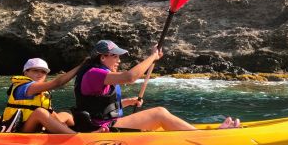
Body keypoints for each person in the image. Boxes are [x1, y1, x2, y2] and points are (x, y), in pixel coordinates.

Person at [73, 40, 240, 132]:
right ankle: (204, 138)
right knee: (159, 113)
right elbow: (130, 77)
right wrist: (152, 57)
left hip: (106, 123)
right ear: (103, 57)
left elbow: (98, 106)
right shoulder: (95, 73)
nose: (119, 60)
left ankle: (193, 133)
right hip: (102, 129)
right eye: (115, 56)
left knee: (160, 120)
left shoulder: (98, 74)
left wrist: (126, 102)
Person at [0, 58, 80, 134]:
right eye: (35, 70)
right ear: (25, 72)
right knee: (40, 112)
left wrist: (60, 123)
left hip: (37, 124)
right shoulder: (26, 87)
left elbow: (50, 111)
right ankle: (75, 136)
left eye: (43, 72)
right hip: (19, 128)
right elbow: (58, 83)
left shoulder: (41, 91)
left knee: (65, 115)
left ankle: (84, 130)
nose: (40, 74)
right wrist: (81, 66)